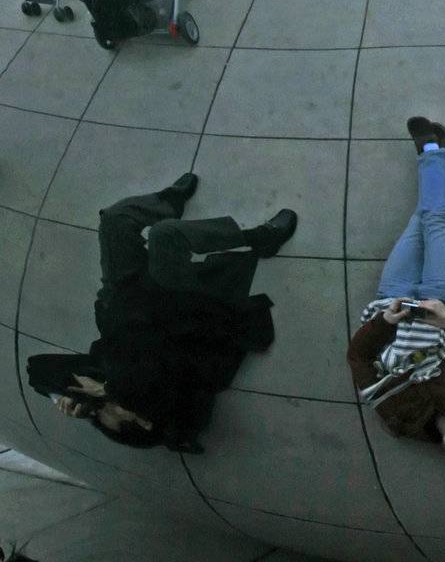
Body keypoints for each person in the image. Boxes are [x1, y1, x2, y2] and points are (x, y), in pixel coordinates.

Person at [25, 173, 297, 453]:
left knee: (115, 220)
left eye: (100, 409)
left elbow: (37, 368)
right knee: (166, 235)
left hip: (124, 301)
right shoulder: (177, 406)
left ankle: (167, 202)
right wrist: (110, 391)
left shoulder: (107, 390)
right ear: (144, 422)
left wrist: (59, 395)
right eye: (112, 409)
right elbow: (149, 370)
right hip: (174, 307)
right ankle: (259, 238)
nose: (103, 404)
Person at [348, 118, 445, 465]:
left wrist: (386, 322)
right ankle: (432, 152)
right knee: (436, 221)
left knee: (420, 220)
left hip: (393, 302)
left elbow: (359, 359)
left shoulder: (399, 419)